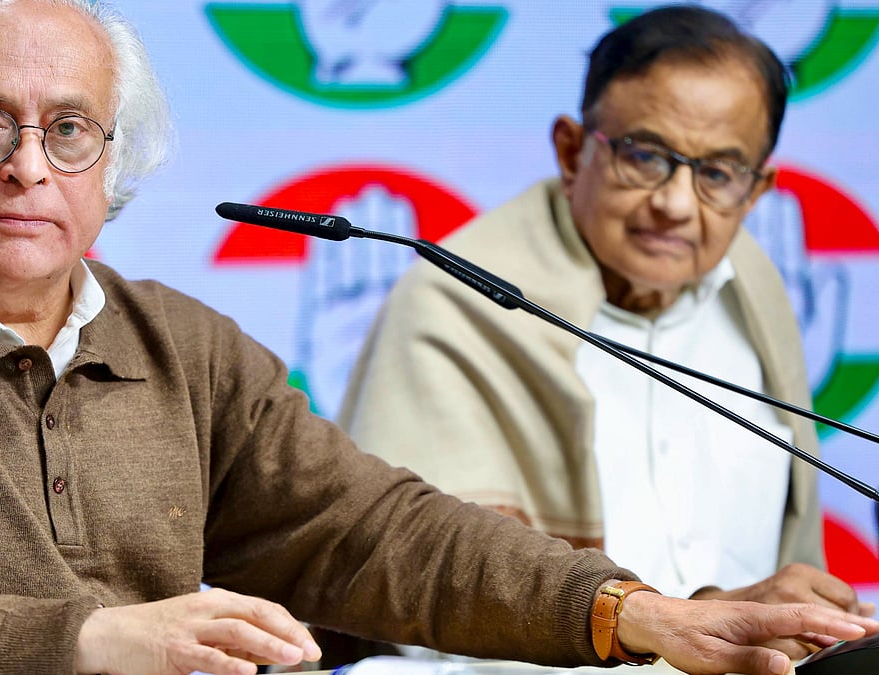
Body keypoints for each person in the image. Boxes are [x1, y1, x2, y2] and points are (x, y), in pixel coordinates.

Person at [0, 2, 875, 674]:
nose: (31, 168)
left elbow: (370, 531)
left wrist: (632, 614)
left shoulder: (181, 346)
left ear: (118, 164)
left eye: (73, 130)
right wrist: (92, 643)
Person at [334, 3, 874, 667]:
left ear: (756, 190)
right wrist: (679, 625)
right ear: (571, 150)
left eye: (717, 173)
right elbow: (425, 605)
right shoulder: (460, 305)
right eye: (644, 156)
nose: (675, 203)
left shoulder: (754, 286)